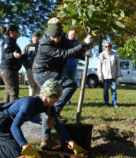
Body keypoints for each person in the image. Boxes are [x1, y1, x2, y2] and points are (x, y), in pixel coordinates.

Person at [0, 79, 87, 158]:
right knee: (17, 153)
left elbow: (58, 125)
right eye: (55, 97)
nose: (57, 100)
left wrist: (70, 142)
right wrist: (25, 145)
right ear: (48, 95)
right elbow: (15, 126)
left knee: (20, 152)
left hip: (9, 126)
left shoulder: (48, 106)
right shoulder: (29, 103)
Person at [32, 17, 93, 148]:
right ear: (48, 35)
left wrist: (84, 54)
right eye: (54, 37)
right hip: (42, 73)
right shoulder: (44, 44)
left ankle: (46, 139)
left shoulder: (62, 38)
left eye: (59, 37)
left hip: (52, 72)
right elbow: (63, 54)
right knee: (70, 85)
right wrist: (82, 44)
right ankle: (55, 111)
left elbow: (71, 48)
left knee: (49, 105)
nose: (57, 40)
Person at [0, 25, 23, 102]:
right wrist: (13, 54)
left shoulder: (12, 42)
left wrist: (25, 55)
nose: (18, 34)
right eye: (17, 32)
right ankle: (13, 112)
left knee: (8, 92)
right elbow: (5, 55)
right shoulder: (8, 41)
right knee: (13, 92)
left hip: (10, 69)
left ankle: (5, 111)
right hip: (8, 69)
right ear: (11, 32)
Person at [97, 41, 121, 108]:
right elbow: (99, 66)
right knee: (105, 90)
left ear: (111, 47)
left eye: (109, 46)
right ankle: (106, 103)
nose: (107, 48)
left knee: (114, 89)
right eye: (106, 46)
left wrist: (118, 73)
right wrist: (100, 75)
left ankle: (114, 103)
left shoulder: (114, 54)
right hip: (105, 76)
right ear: (104, 47)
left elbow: (117, 65)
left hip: (113, 75)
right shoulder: (102, 55)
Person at [62, 29, 80, 105]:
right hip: (64, 66)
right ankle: (62, 100)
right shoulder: (64, 41)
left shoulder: (77, 43)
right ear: (68, 34)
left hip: (73, 66)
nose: (73, 35)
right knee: (63, 83)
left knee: (71, 84)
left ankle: (68, 100)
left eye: (74, 34)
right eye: (72, 34)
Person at [22, 32, 41, 96]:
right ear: (32, 38)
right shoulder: (27, 46)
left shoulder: (41, 47)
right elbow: (23, 58)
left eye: (37, 37)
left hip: (39, 70)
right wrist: (27, 68)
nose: (36, 38)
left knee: (38, 85)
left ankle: (38, 101)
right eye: (35, 37)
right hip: (30, 69)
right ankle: (32, 100)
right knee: (32, 86)